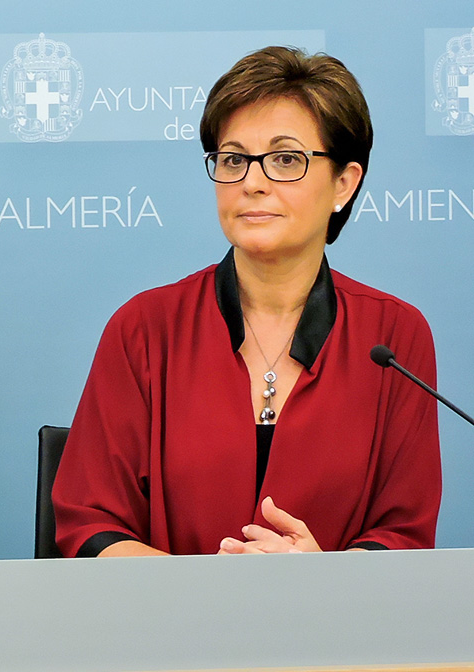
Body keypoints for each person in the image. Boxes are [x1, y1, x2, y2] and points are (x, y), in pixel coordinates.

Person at [52, 46, 441, 557]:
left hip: (335, 632)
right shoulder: (145, 328)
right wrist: (211, 599)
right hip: (165, 630)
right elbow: (89, 523)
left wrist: (318, 580)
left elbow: (403, 536)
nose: (252, 183)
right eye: (234, 159)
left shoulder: (394, 336)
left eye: (285, 160)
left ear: (344, 183)